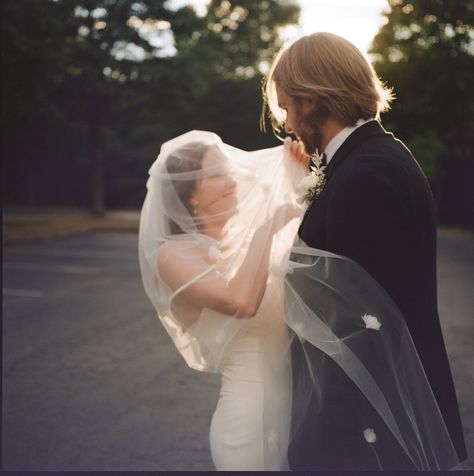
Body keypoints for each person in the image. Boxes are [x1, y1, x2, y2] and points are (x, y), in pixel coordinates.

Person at [139, 130, 462, 470]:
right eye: (217, 174)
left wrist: (296, 177)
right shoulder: (172, 255)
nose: (232, 181)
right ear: (189, 194)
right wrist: (267, 226)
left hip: (299, 415)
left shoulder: (242, 244)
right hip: (251, 417)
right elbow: (242, 303)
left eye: (229, 171)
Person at [262, 31, 467, 470]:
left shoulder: (366, 177)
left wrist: (312, 442)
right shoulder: (370, 159)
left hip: (368, 431)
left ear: (312, 101)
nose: (289, 125)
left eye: (287, 109)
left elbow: (364, 328)